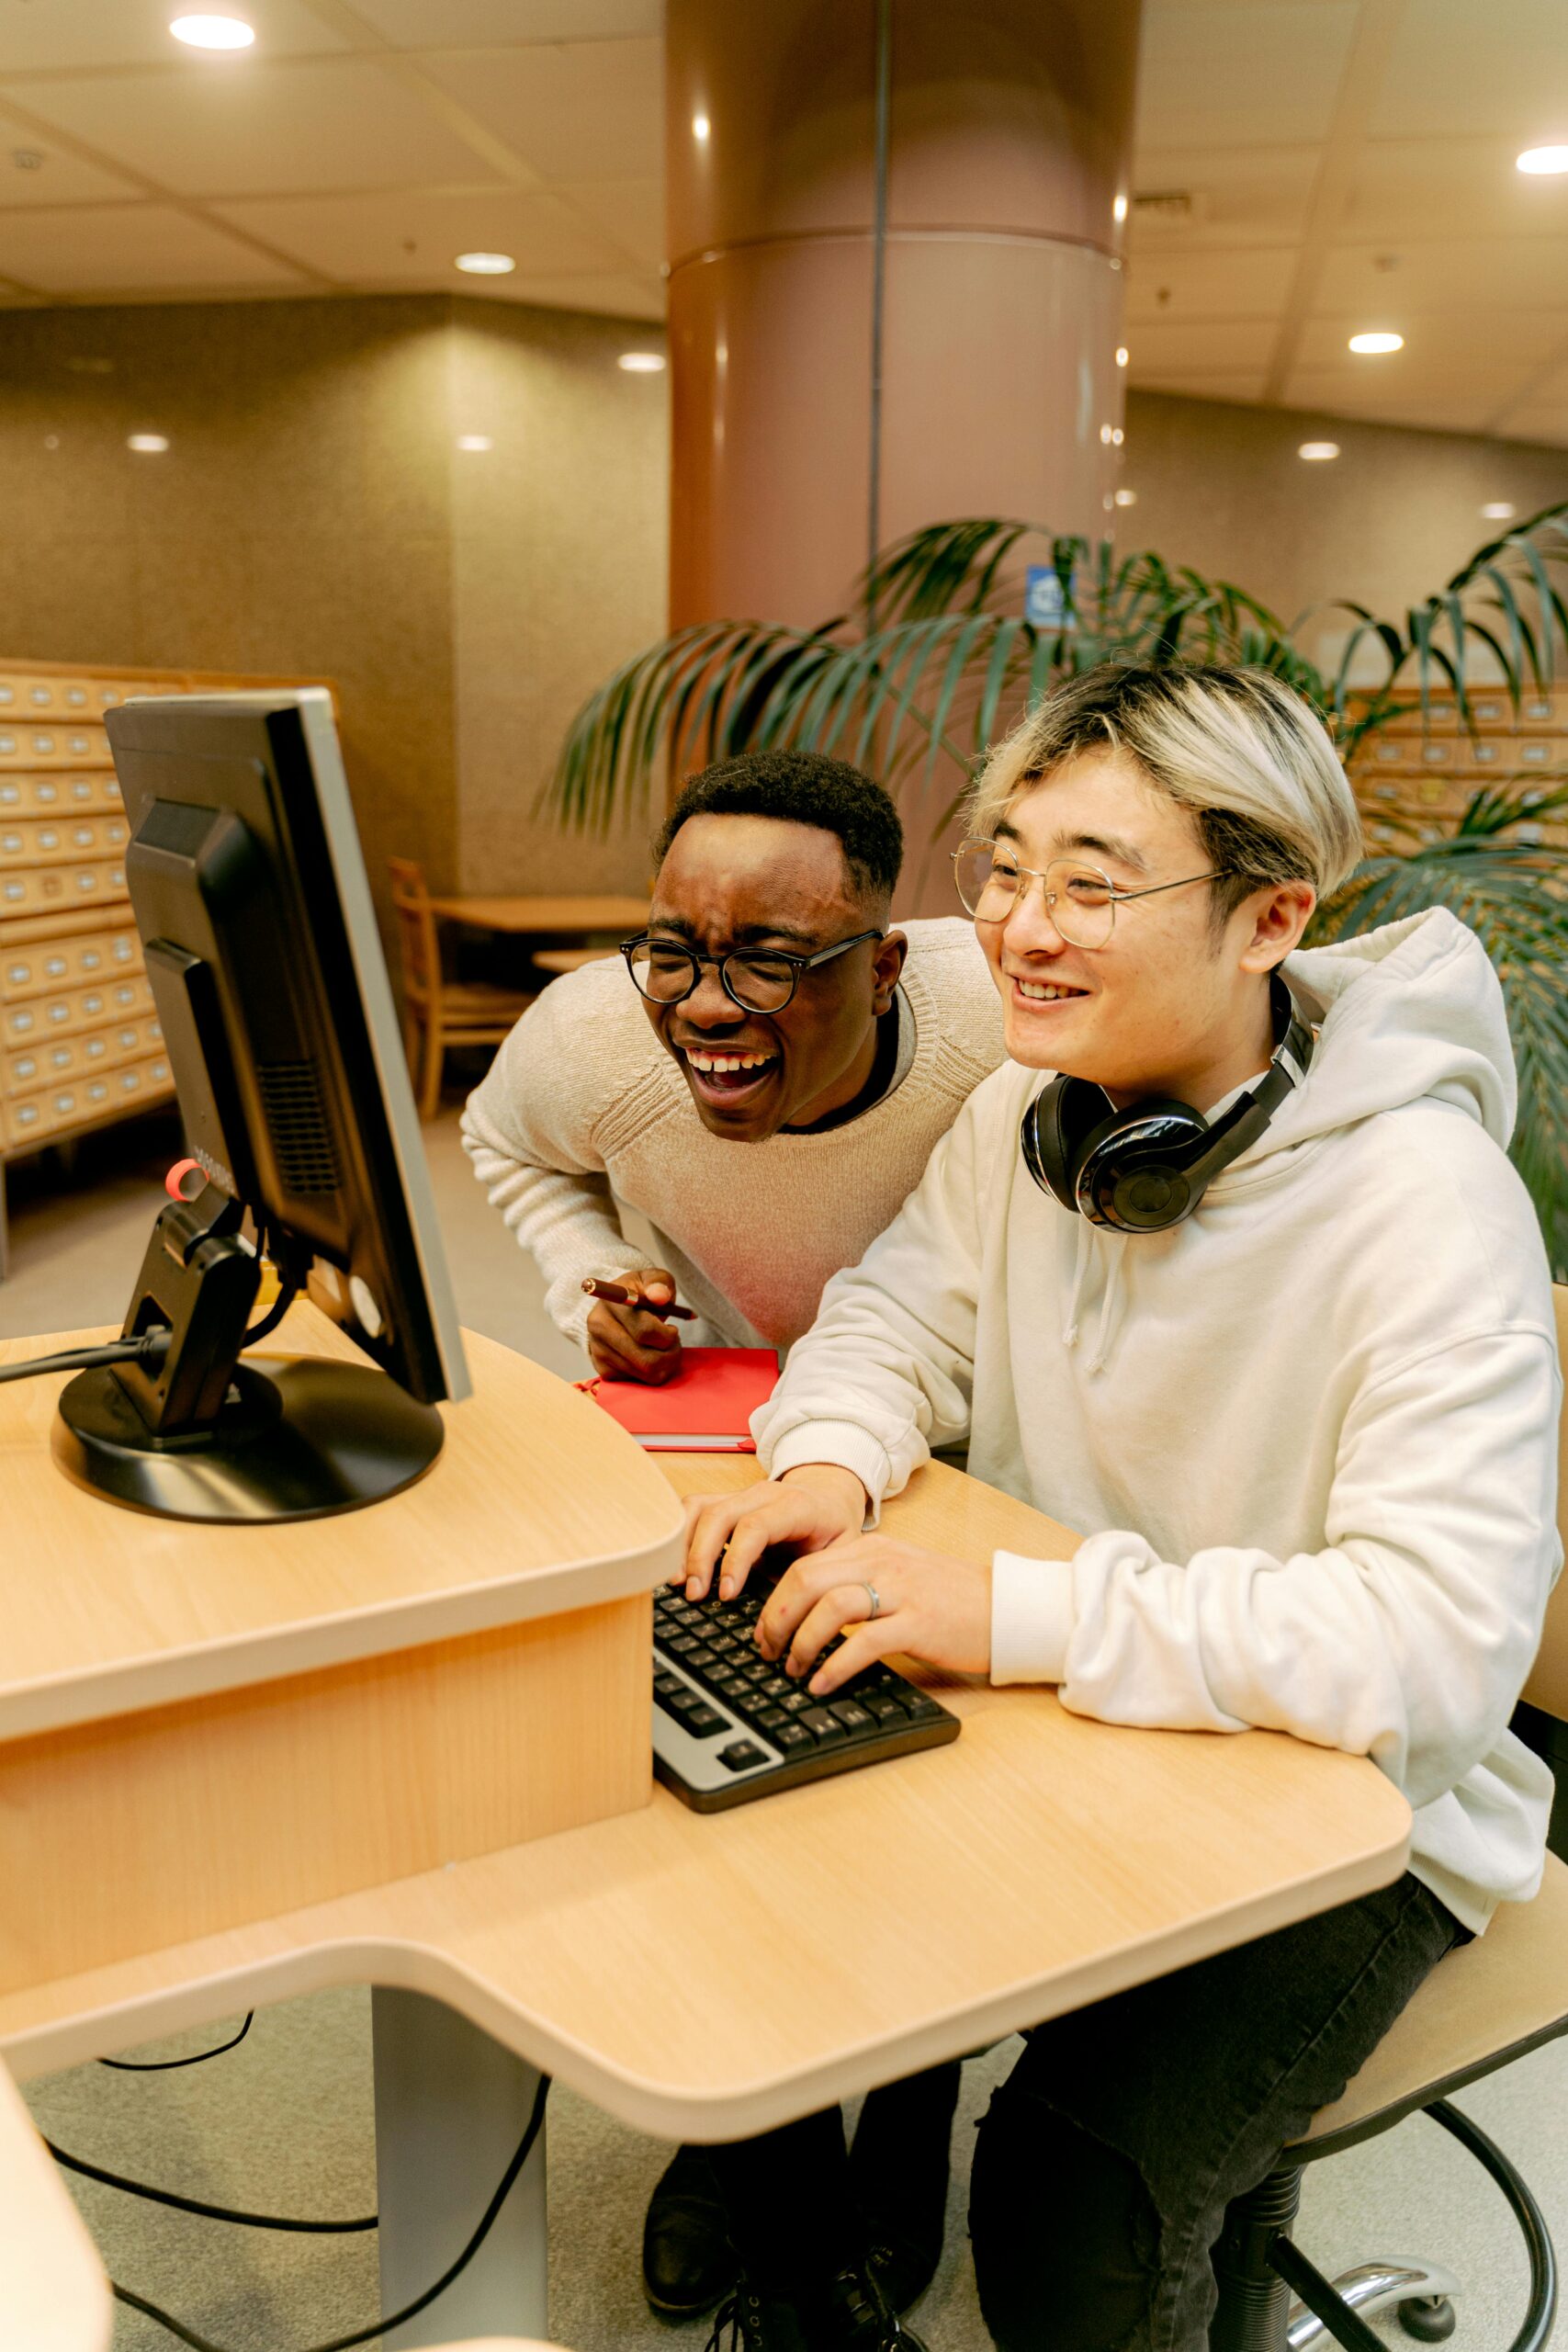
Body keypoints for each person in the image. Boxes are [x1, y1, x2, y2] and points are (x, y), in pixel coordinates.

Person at [677, 664, 1562, 2352]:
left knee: (1069, 2201)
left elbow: (1431, 1652)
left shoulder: (1425, 1211)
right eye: (1005, 868)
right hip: (1099, 1730)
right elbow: (893, 1313)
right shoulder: (1041, 1116)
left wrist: (1014, 1616)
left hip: (1360, 1812)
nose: (1020, 926)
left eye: (1092, 883)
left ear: (1270, 917)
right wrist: (826, 1460)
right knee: (746, 1886)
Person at [462, 747, 1006, 2324]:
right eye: (677, 948)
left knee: (927, 1776)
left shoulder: (989, 1029)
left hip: (959, 1423)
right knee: (719, 1760)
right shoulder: (594, 1037)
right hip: (723, 1422)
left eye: (769, 957)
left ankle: (908, 2107)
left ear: (884, 959)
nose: (704, 1002)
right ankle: (747, 2119)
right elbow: (509, 1149)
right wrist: (588, 1286)